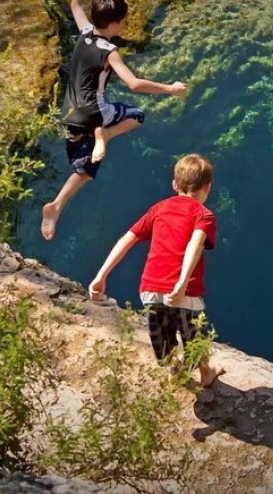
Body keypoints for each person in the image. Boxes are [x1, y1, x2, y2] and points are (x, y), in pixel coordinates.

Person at [41, 0, 188, 241]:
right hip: (95, 112)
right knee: (137, 116)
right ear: (114, 24)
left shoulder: (85, 32)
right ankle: (104, 135)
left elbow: (74, 4)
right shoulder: (110, 52)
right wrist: (171, 89)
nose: (122, 26)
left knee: (84, 168)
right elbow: (133, 84)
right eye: (121, 22)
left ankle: (56, 205)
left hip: (69, 113)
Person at [88, 153, 226, 387]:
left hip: (150, 288)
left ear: (174, 185)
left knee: (162, 337)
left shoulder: (158, 209)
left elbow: (127, 239)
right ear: (208, 187)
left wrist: (101, 276)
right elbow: (195, 245)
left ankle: (174, 369)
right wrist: (182, 282)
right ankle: (205, 373)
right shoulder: (204, 215)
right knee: (195, 335)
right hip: (185, 292)